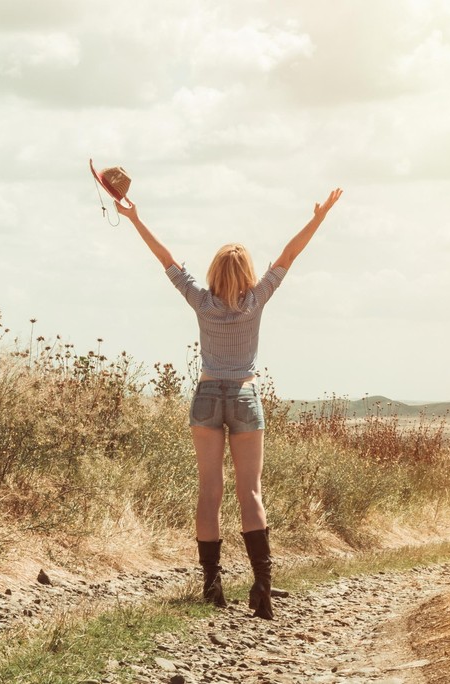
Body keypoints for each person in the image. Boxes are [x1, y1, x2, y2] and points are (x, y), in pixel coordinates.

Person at [116, 187, 343, 619]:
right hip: (244, 395)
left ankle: (213, 586)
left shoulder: (201, 300)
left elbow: (166, 260)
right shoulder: (256, 301)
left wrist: (135, 219)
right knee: (250, 493)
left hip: (206, 397)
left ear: (215, 272)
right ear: (247, 273)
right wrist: (320, 217)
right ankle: (262, 586)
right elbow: (288, 256)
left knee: (209, 492)